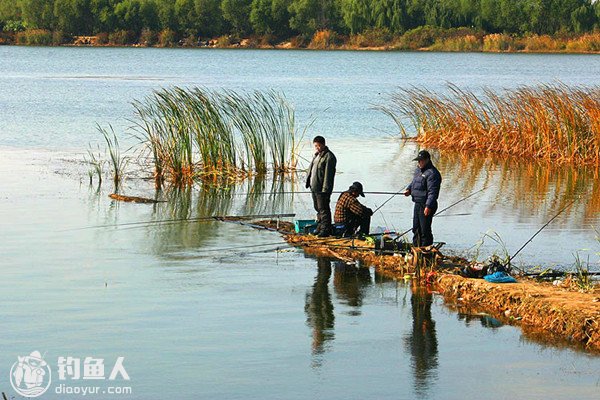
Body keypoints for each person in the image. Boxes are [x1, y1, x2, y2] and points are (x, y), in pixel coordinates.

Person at [403, 150, 442, 247]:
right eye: (418, 161)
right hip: (418, 203)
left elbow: (433, 192)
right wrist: (409, 189)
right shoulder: (418, 170)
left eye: (421, 161)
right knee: (416, 228)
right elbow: (414, 182)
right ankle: (416, 249)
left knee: (424, 230)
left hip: (426, 205)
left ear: (427, 160)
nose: (419, 163)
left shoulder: (432, 173)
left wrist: (428, 206)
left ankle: (426, 250)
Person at [306, 136, 337, 237]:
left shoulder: (329, 157)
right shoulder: (316, 156)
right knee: (317, 208)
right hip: (314, 187)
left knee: (323, 209)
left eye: (319, 145)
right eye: (315, 146)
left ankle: (325, 230)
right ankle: (320, 227)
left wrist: (325, 190)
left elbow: (328, 175)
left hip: (322, 189)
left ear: (323, 144)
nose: (317, 147)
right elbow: (311, 170)